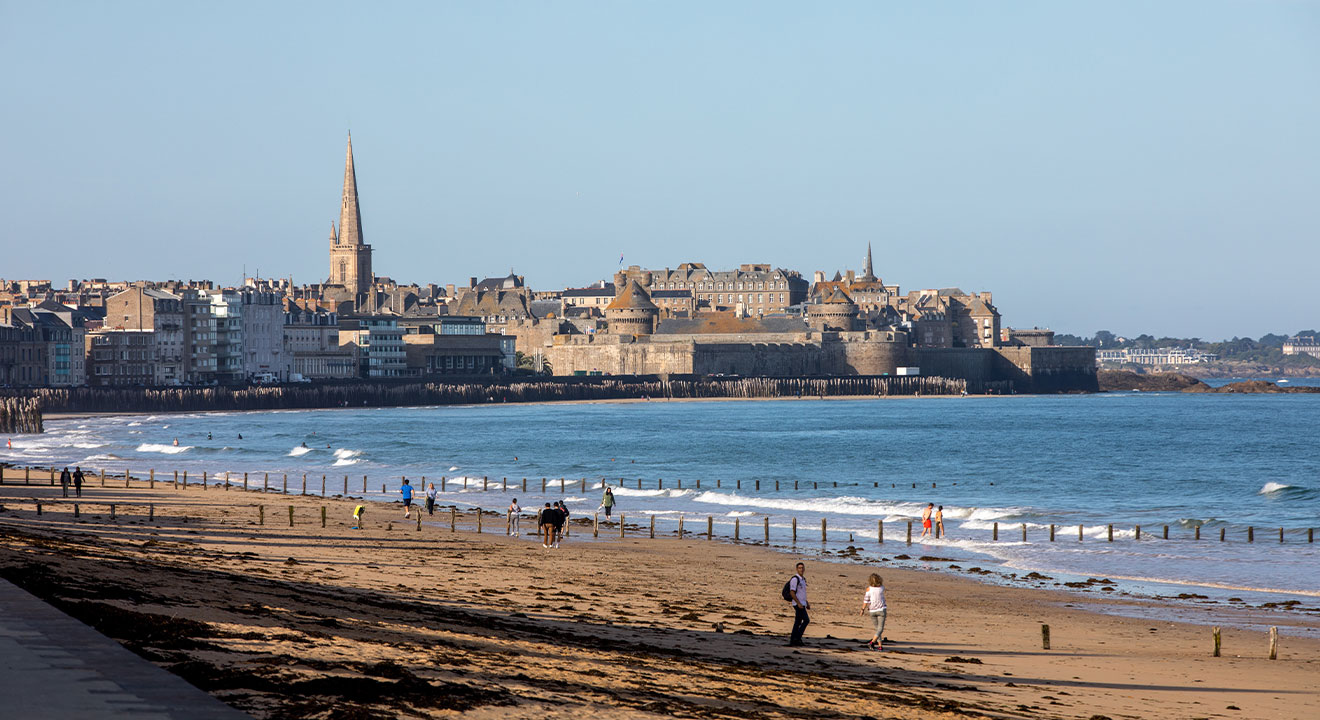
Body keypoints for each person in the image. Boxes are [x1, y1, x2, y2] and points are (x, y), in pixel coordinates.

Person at [859, 573, 888, 651]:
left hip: (872, 610)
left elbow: (866, 600)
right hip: (881, 610)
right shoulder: (882, 588)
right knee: (880, 629)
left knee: (877, 629)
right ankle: (872, 642)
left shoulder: (868, 589)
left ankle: (880, 646)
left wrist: (862, 609)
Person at [787, 562, 810, 646]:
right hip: (798, 604)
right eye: (800, 568)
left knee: (798, 622)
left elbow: (802, 593)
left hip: (802, 603)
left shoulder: (803, 579)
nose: (801, 569)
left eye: (802, 568)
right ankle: (797, 638)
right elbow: (792, 592)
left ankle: (793, 639)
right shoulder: (795, 579)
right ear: (797, 569)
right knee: (806, 620)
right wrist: (798, 603)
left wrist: (806, 603)